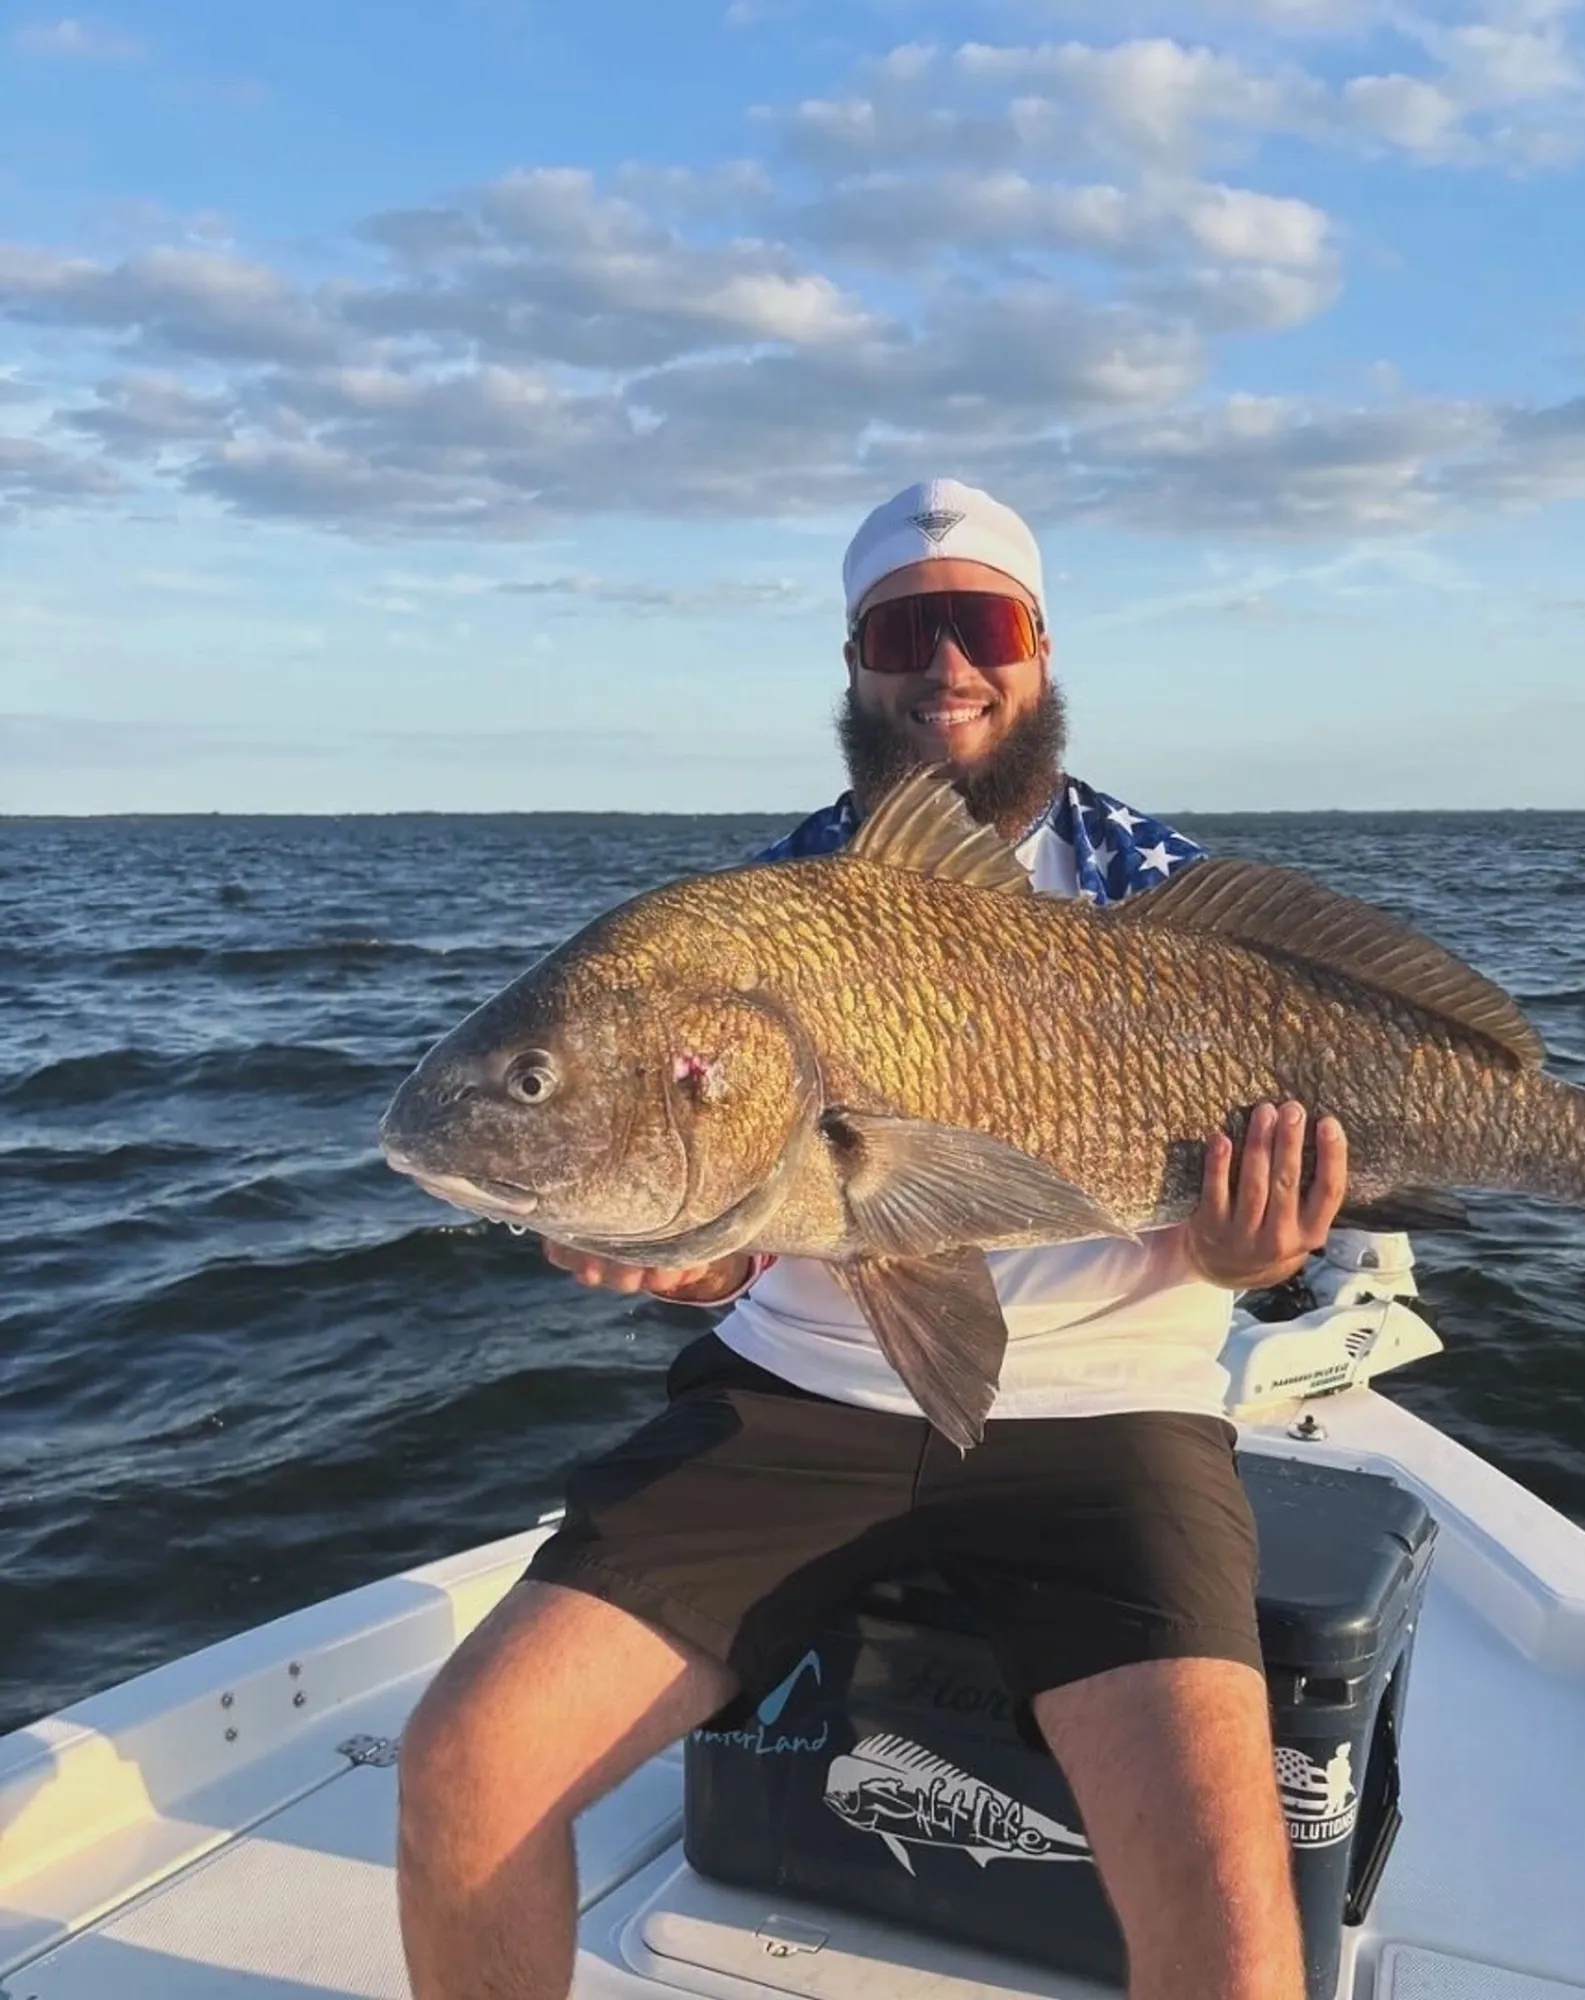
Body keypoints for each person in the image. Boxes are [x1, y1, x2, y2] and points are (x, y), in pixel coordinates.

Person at [396, 479, 1349, 2000]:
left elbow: (1285, 1254)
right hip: (798, 1402)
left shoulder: (1174, 905)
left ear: (1039, 649)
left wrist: (1263, 1258)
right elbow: (748, 1213)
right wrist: (695, 1265)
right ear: (855, 662)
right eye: (907, 629)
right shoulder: (767, 912)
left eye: (982, 624)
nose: (946, 667)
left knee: (1244, 1946)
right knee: (463, 1767)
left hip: (1110, 1423)